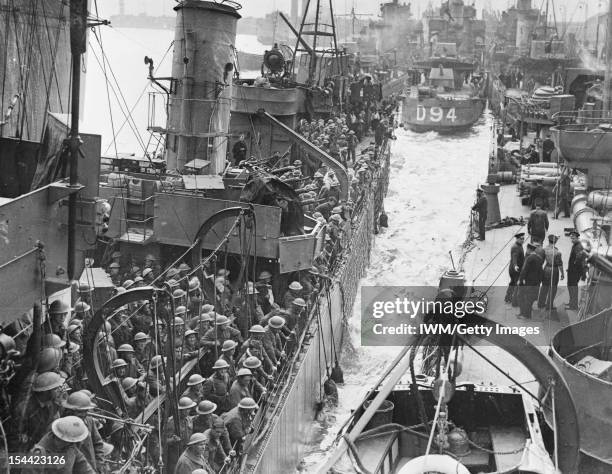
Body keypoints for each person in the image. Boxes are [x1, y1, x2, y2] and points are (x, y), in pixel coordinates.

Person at [26, 416, 96, 474]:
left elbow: (83, 466)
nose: (74, 443)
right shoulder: (38, 454)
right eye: (72, 441)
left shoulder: (70, 448)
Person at [538, 234, 564, 313]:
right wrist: (562, 274)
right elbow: (560, 264)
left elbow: (541, 261)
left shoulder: (544, 249)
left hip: (546, 268)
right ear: (555, 242)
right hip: (554, 270)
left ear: (549, 240)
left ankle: (540, 303)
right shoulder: (557, 252)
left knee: (544, 287)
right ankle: (549, 306)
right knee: (553, 288)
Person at [518, 242, 543, 319]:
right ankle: (525, 313)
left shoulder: (529, 258)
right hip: (536, 282)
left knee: (524, 297)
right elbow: (541, 271)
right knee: (530, 298)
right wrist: (539, 281)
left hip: (529, 282)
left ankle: (526, 315)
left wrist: (520, 280)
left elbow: (524, 270)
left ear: (529, 249)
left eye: (527, 249)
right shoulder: (539, 258)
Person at [566, 230, 587, 310]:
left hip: (575, 271)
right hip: (572, 270)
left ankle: (573, 305)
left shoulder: (578, 246)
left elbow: (578, 260)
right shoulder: (575, 245)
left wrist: (573, 268)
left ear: (577, 238)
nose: (572, 240)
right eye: (571, 238)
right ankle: (572, 302)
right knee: (570, 286)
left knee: (572, 287)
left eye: (573, 238)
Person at [505, 232, 525, 306]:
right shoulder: (515, 247)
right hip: (515, 270)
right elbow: (514, 257)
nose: (523, 240)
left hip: (514, 269)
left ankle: (508, 298)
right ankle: (513, 301)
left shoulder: (519, 245)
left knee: (512, 283)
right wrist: (515, 265)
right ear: (517, 239)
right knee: (516, 284)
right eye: (521, 239)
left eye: (523, 239)